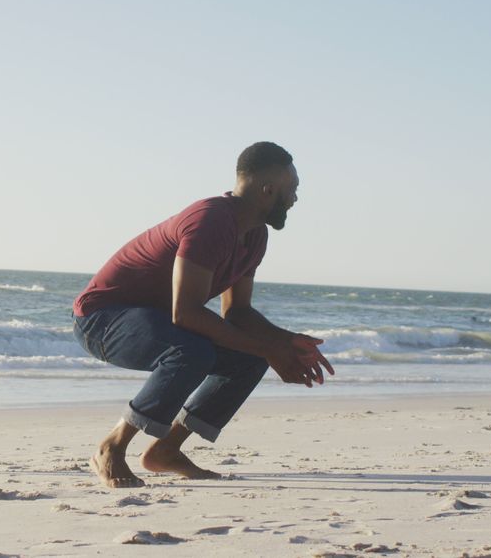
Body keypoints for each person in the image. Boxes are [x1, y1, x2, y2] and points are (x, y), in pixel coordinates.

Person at [72, 141, 333, 488]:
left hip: (155, 319)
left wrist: (285, 341)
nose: (296, 199)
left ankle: (165, 451)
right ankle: (111, 447)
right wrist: (271, 349)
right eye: (293, 189)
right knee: (193, 351)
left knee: (249, 358)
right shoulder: (210, 221)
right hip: (100, 319)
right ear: (268, 189)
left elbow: (237, 312)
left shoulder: (255, 236)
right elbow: (187, 314)